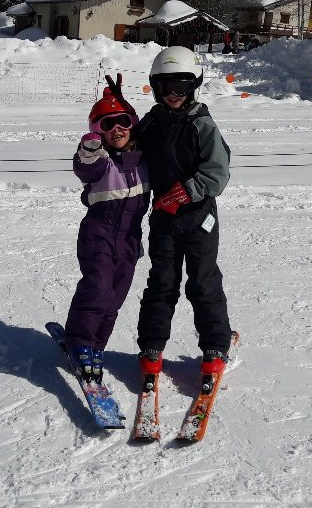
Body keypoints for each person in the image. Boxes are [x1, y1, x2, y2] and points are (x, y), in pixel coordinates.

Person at [132, 46, 234, 379]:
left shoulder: (201, 124)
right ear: (155, 87)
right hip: (163, 219)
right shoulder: (151, 122)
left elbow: (218, 173)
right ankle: (151, 346)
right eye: (165, 87)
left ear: (193, 87)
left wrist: (188, 190)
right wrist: (116, 115)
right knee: (162, 282)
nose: (173, 94)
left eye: (181, 87)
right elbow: (129, 149)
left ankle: (215, 346)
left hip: (198, 219)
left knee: (202, 282)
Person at [62, 75, 150, 384]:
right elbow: (85, 166)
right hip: (98, 234)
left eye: (123, 121)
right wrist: (89, 148)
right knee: (97, 288)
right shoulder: (100, 160)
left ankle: (96, 348)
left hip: (129, 240)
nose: (117, 129)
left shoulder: (144, 159)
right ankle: (80, 342)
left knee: (114, 297)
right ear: (97, 131)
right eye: (107, 123)